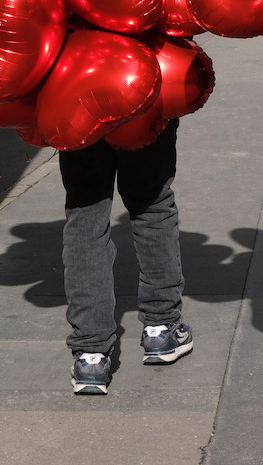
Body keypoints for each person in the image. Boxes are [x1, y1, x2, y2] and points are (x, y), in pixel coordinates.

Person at [57, 119, 192, 394]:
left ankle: (90, 356)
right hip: (145, 96)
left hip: (76, 96)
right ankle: (161, 328)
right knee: (152, 205)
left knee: (85, 215)